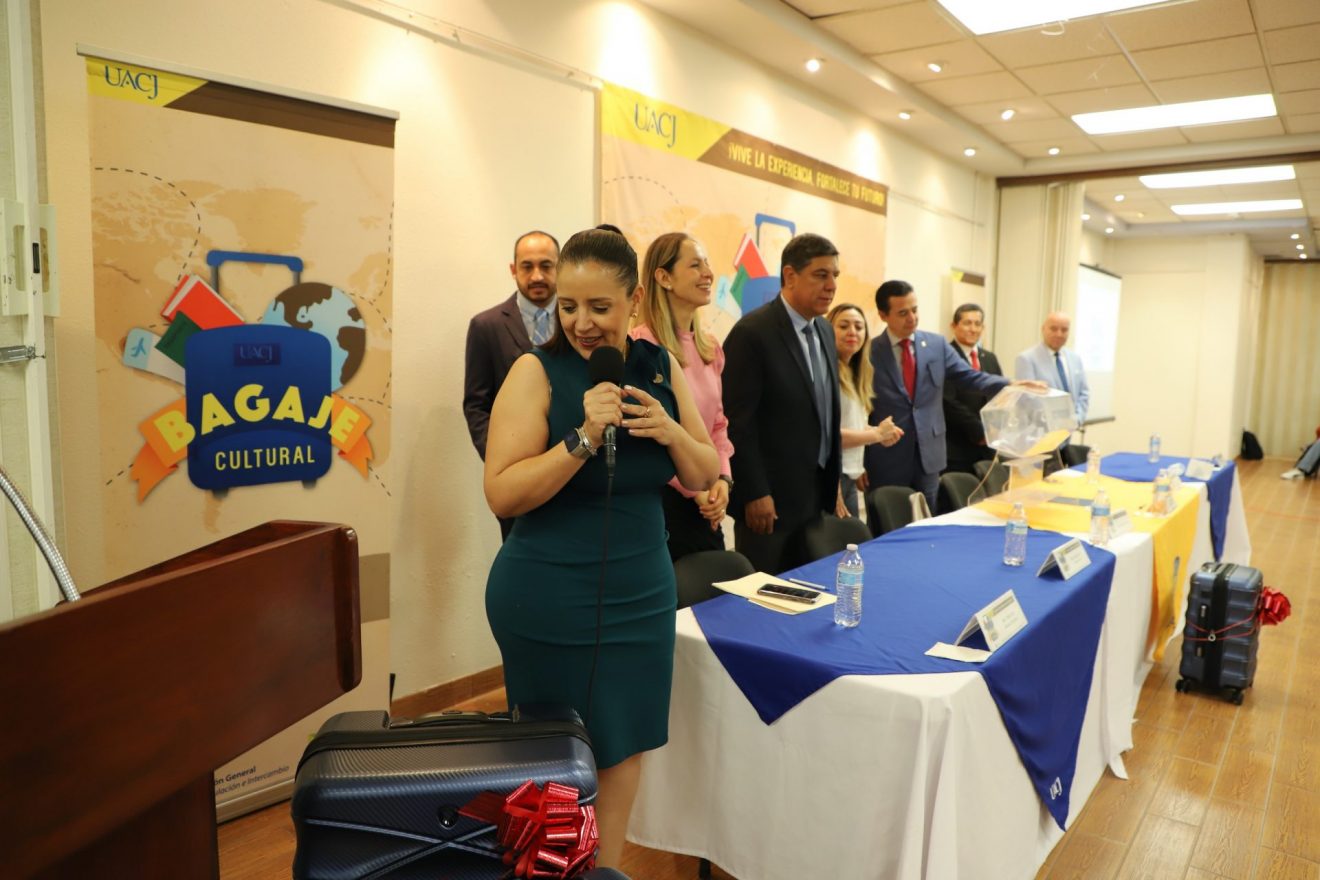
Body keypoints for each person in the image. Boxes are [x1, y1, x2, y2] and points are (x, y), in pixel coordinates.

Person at [482, 227, 719, 868]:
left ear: (634, 299)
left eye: (599, 306)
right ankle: (551, 869)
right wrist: (583, 437)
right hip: (548, 596)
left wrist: (670, 431)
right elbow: (502, 493)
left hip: (641, 595)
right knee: (553, 761)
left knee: (623, 742)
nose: (581, 323)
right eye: (567, 306)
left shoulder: (659, 366)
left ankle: (604, 869)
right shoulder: (535, 371)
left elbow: (703, 473)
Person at [723, 233, 845, 574]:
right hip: (770, 505)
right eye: (821, 275)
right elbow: (738, 424)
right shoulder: (752, 333)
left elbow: (823, 413)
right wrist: (754, 492)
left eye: (835, 275)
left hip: (815, 500)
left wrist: (832, 481)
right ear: (790, 276)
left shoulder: (824, 330)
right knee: (767, 597)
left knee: (813, 590)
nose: (832, 286)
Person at [864, 280, 1017, 513]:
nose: (912, 318)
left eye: (915, 310)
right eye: (903, 313)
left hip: (929, 455)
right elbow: (860, 408)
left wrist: (1010, 384)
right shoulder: (869, 352)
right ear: (883, 315)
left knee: (930, 519)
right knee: (889, 522)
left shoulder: (936, 345)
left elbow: (970, 377)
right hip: (887, 458)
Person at [631, 232, 735, 560]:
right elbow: (649, 435)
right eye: (695, 265)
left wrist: (722, 479)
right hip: (663, 503)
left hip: (706, 500)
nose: (708, 273)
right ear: (663, 277)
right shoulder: (641, 347)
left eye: (707, 264)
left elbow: (717, 424)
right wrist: (696, 487)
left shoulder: (710, 347)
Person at [463, 230, 560, 540]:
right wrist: (501, 460)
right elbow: (476, 404)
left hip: (570, 469)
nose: (537, 275)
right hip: (517, 479)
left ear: (560, 268)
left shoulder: (577, 322)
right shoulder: (486, 326)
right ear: (513, 269)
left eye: (546, 265)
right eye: (527, 266)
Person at [828, 302, 902, 517]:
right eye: (844, 326)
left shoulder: (855, 372)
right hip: (833, 478)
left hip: (850, 475)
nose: (852, 332)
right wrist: (876, 435)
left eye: (859, 327)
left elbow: (851, 425)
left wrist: (878, 433)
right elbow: (829, 436)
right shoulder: (827, 373)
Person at [943, 303, 1003, 474]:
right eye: (967, 323)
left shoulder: (990, 358)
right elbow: (947, 401)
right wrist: (979, 431)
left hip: (988, 446)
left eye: (978, 324)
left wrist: (994, 429)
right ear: (954, 326)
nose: (973, 329)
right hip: (957, 446)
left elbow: (999, 396)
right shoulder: (946, 355)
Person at [1015, 312, 1090, 426]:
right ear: (1043, 329)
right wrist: (1055, 422)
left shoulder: (1075, 359)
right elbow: (1027, 399)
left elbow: (1084, 393)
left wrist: (1077, 419)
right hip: (1040, 431)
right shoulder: (1026, 359)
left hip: (1069, 430)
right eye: (1053, 329)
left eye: (1064, 330)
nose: (1059, 334)